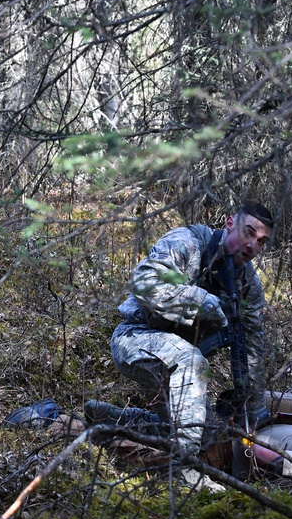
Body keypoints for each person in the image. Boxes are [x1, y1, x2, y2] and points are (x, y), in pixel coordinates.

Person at [109, 202, 274, 491]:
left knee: (208, 436)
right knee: (192, 360)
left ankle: (107, 419)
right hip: (135, 338)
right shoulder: (188, 243)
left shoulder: (247, 285)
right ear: (229, 223)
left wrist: (254, 409)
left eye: (261, 242)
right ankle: (184, 473)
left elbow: (253, 345)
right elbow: (145, 283)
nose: (252, 245)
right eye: (248, 233)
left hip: (177, 362)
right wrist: (201, 301)